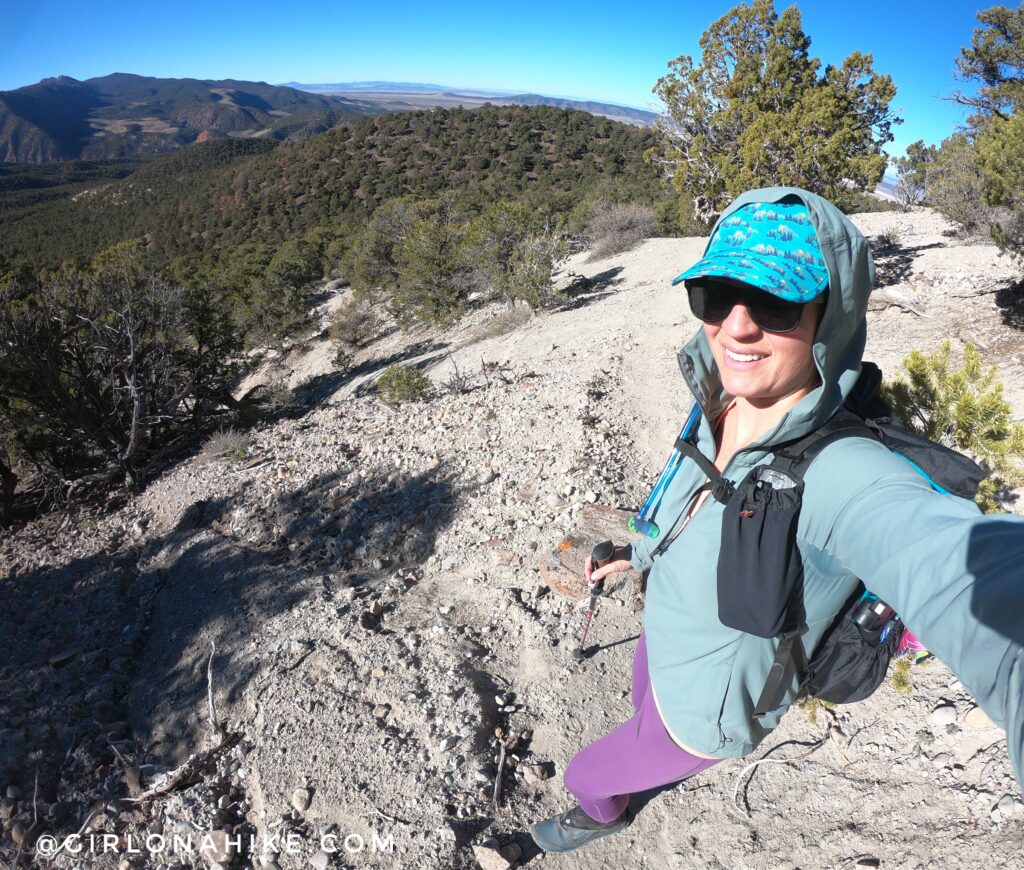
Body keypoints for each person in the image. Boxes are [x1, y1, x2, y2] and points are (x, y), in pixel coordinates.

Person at [529, 186, 1024, 854]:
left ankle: (603, 812)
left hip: (713, 705)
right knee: (641, 707)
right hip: (667, 640)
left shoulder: (841, 472)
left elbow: (954, 562)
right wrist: (637, 551)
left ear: (831, 315)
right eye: (714, 294)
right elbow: (683, 508)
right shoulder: (721, 401)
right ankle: (641, 749)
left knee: (590, 771)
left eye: (775, 300)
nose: (736, 326)